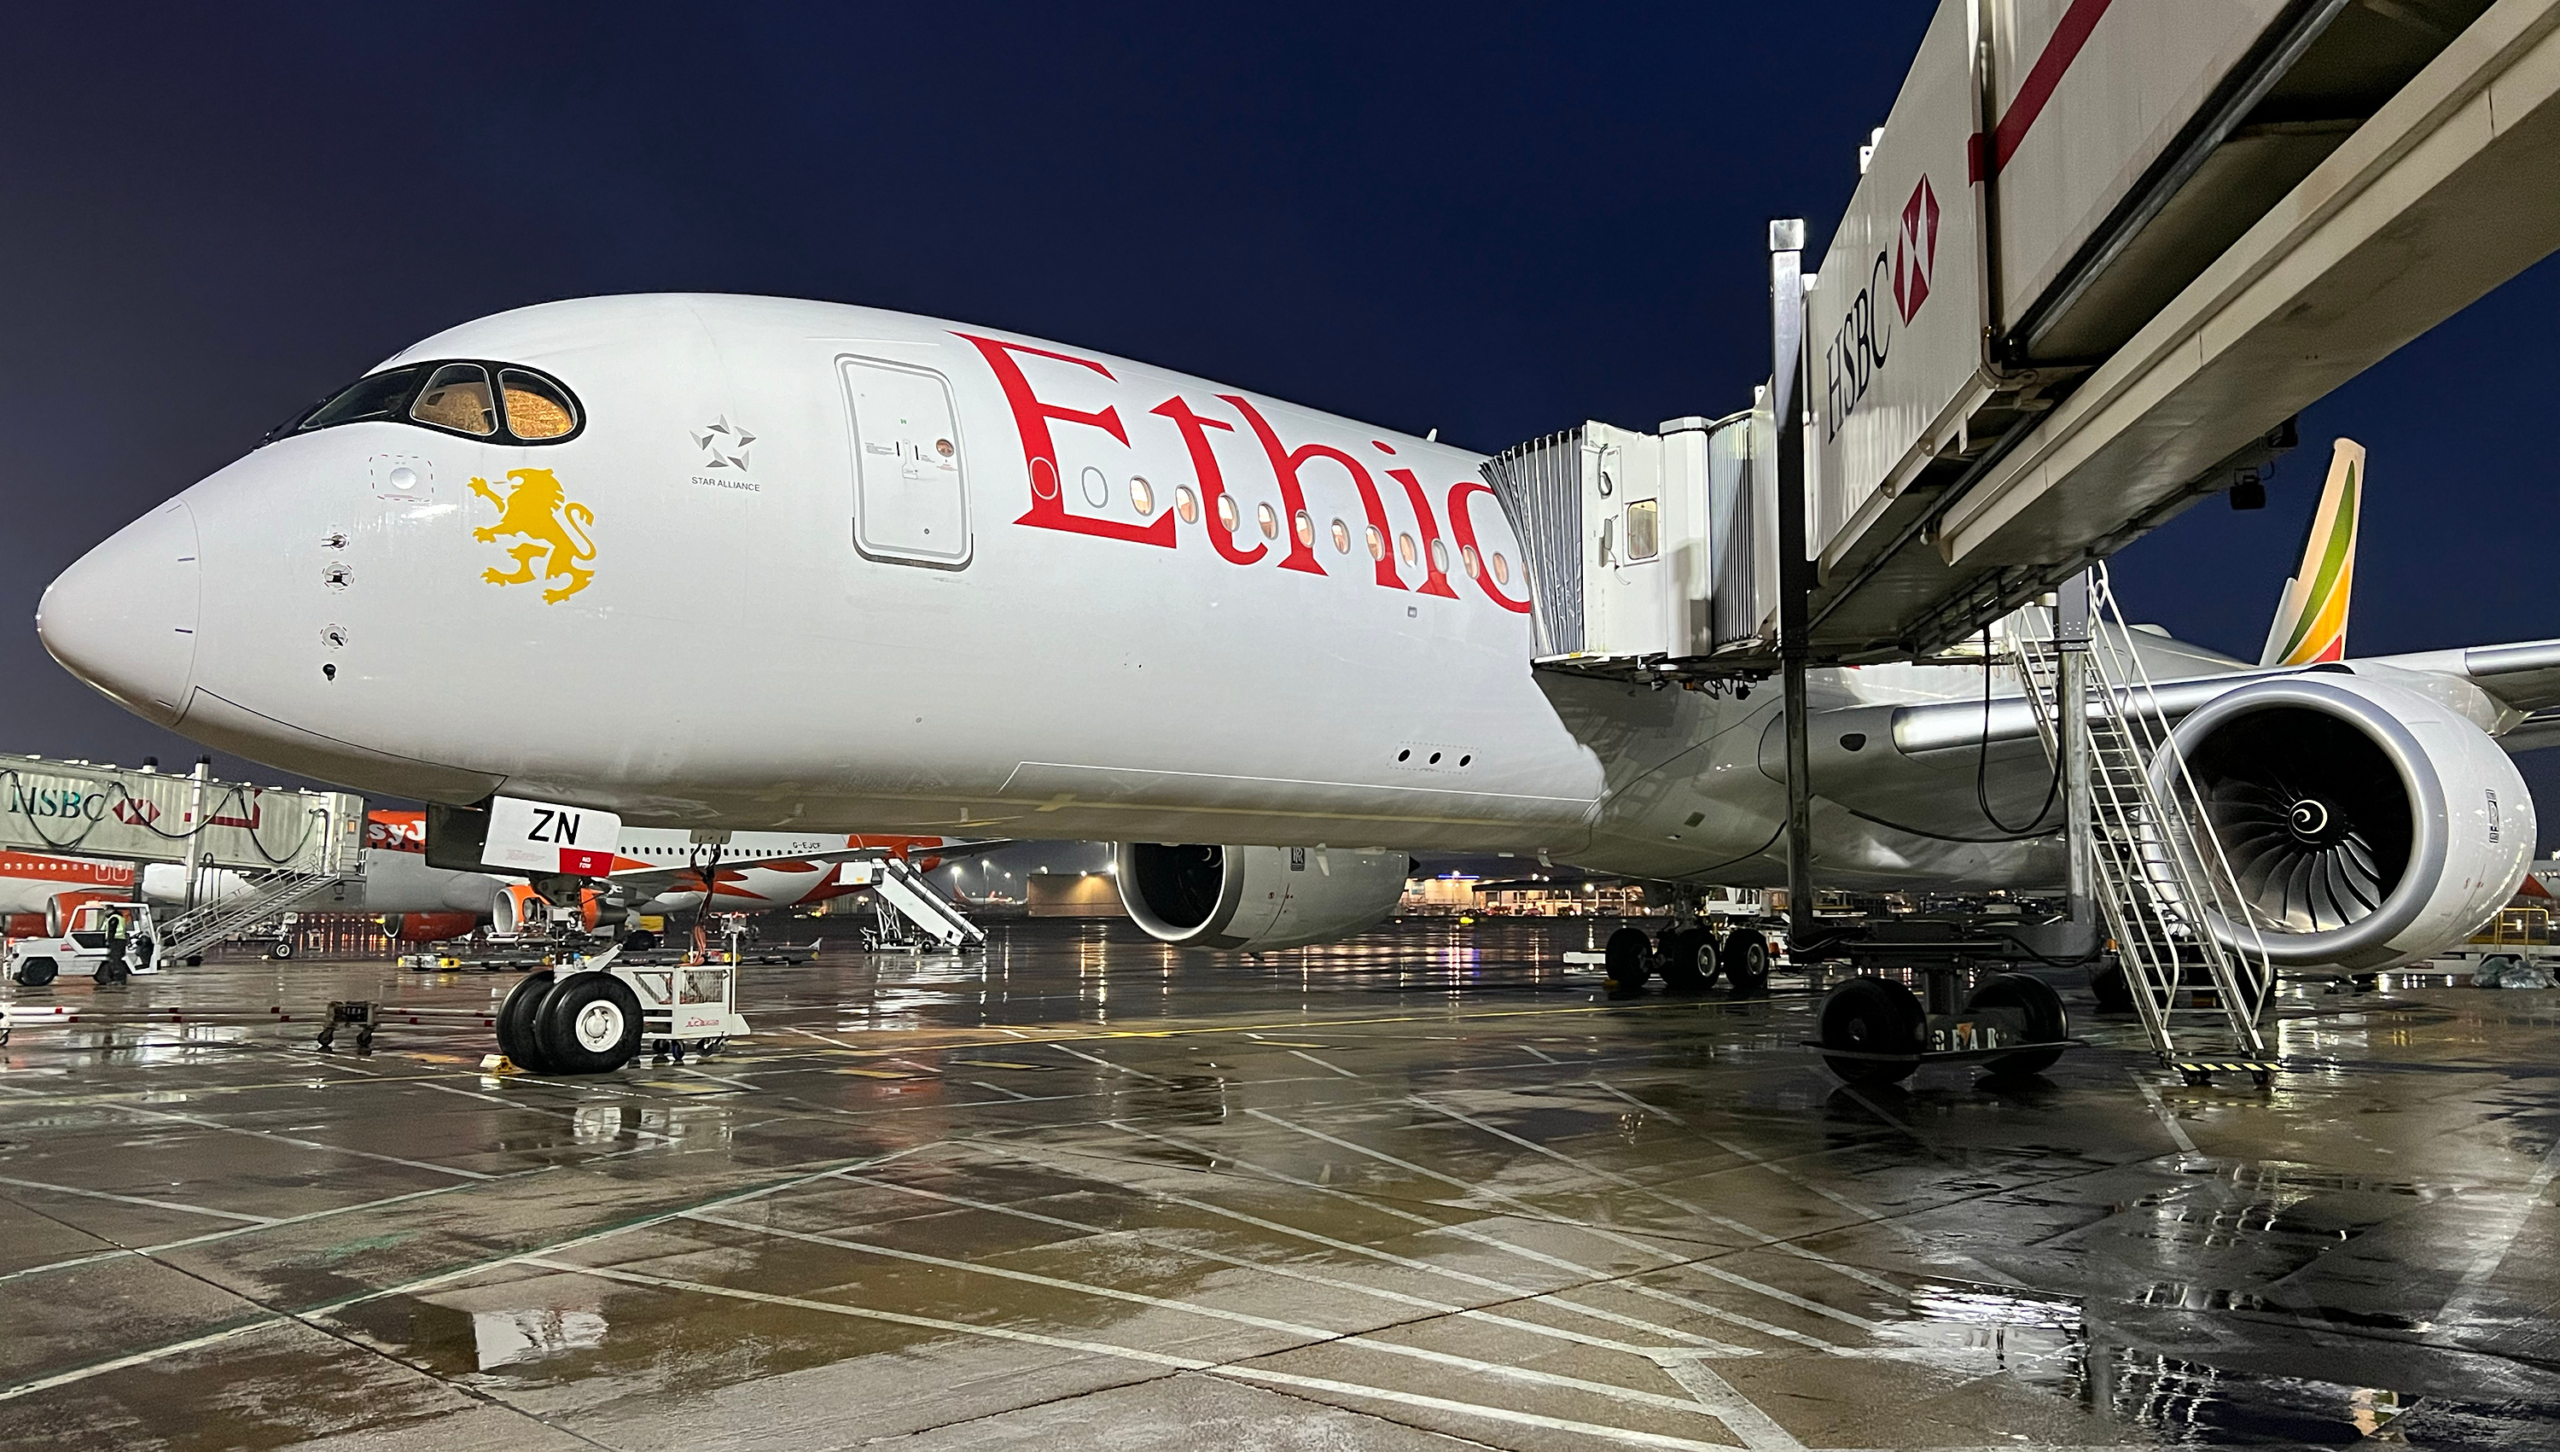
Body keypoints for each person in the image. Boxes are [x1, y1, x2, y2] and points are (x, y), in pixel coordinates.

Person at [97, 908, 130, 986]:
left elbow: (111, 931)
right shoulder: (118, 917)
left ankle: (120, 979)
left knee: (115, 960)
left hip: (116, 940)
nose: (105, 912)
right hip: (120, 940)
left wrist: (109, 941)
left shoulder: (114, 918)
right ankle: (118, 978)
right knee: (115, 959)